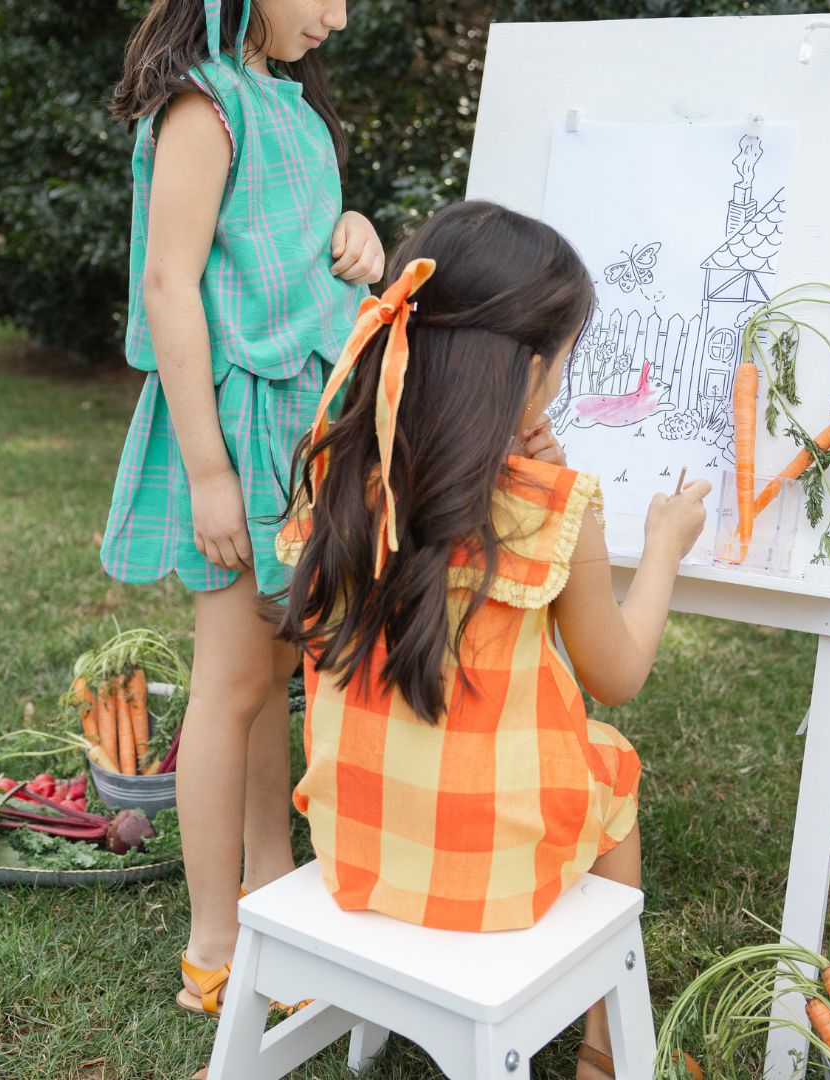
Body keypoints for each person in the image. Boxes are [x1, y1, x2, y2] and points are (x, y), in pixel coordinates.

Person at [274, 200, 710, 1078]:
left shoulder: (337, 469)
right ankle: (603, 1051)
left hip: (352, 849)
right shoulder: (557, 507)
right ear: (531, 371)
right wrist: (661, 546)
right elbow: (617, 674)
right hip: (493, 882)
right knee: (611, 757)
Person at [101, 0, 383, 1016]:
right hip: (237, 429)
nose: (340, 17)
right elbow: (171, 287)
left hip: (302, 429)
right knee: (229, 689)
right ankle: (215, 943)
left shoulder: (292, 106)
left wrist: (356, 236)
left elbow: (299, 248)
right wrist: (210, 473)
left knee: (271, 674)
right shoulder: (203, 110)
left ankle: (273, 890)